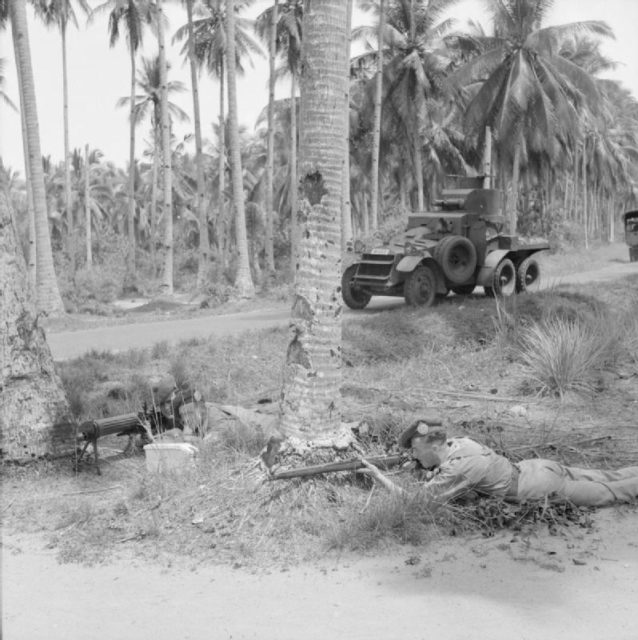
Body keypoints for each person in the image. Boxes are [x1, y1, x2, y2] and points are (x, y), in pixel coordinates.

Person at [361, 417, 638, 508]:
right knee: (608, 475)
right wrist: (425, 465)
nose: (413, 455)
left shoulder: (458, 468)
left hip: (535, 487)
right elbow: (441, 463)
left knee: (610, 493)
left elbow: (418, 501)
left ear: (434, 445)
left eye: (417, 449)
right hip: (536, 467)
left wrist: (379, 477)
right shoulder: (461, 443)